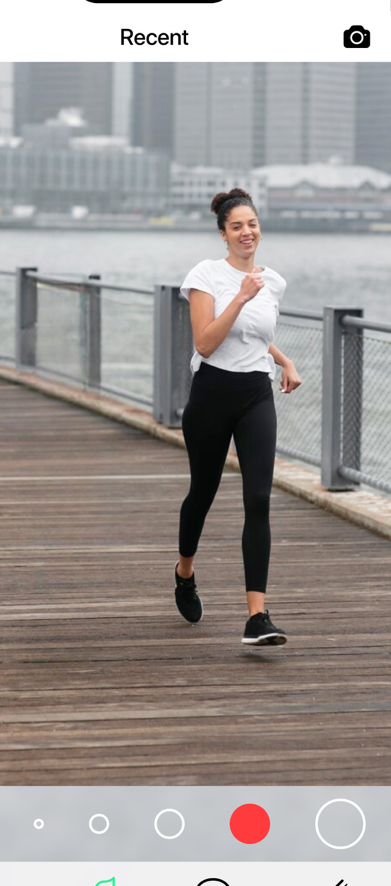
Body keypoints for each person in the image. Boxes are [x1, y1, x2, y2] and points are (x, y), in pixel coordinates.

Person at [175, 188, 302, 645]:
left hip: (255, 395)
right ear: (223, 234)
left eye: (252, 224)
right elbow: (206, 342)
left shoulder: (274, 282)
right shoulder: (206, 275)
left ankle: (257, 617)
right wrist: (242, 296)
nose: (247, 232)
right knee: (202, 494)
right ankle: (184, 573)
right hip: (211, 394)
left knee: (259, 498)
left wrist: (284, 360)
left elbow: (255, 336)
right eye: (237, 226)